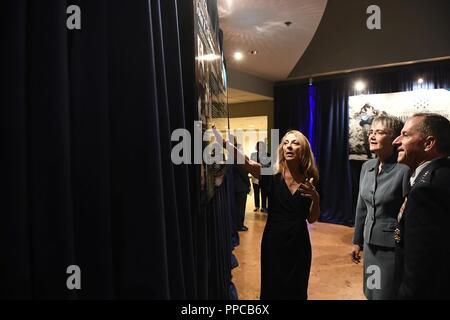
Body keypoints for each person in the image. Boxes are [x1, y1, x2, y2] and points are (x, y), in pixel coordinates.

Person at [213, 126, 320, 299]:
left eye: (295, 143)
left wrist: (316, 198)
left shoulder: (311, 178)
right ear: (282, 149)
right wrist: (225, 144)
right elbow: (247, 162)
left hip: (299, 244)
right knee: (273, 288)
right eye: (286, 143)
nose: (289, 146)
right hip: (274, 242)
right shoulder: (272, 174)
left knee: (297, 289)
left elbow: (312, 219)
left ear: (304, 149)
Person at [392, 113, 450, 299]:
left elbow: (421, 266)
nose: (396, 141)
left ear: (428, 143)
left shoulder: (427, 189)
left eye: (406, 135)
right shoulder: (442, 175)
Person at [351, 115, 410, 300]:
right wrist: (357, 240)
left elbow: (408, 214)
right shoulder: (367, 167)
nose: (372, 136)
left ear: (394, 138)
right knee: (371, 290)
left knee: (386, 295)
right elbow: (362, 207)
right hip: (370, 245)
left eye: (379, 132)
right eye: (371, 132)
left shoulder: (404, 169)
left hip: (392, 247)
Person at [233, 142, 251, 232]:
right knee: (241, 208)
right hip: (241, 187)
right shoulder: (239, 159)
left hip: (235, 187)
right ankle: (240, 225)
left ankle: (236, 224)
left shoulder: (232, 159)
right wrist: (248, 185)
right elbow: (244, 175)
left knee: (236, 207)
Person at [251, 141, 269, 213]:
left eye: (261, 146)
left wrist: (261, 165)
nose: (260, 147)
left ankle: (264, 207)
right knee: (256, 192)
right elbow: (251, 164)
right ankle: (257, 206)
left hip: (264, 177)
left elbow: (269, 165)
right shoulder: (253, 155)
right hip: (255, 177)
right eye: (258, 146)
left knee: (264, 192)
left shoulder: (267, 155)